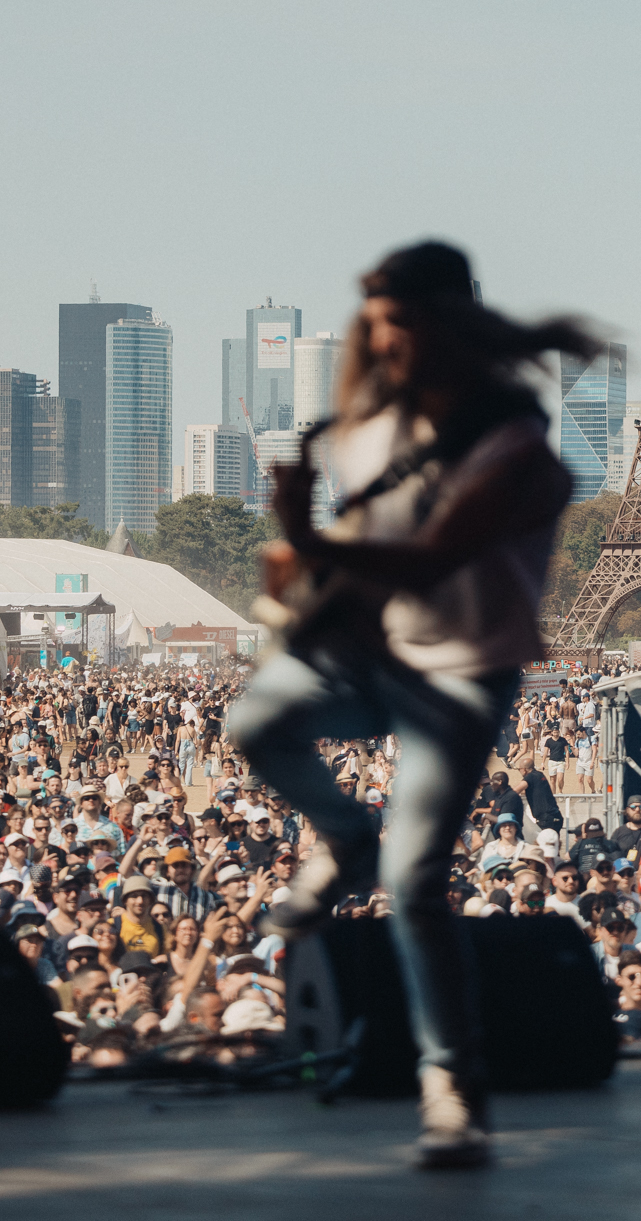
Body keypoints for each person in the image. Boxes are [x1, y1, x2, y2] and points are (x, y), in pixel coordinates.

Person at [226, 241, 596, 1170]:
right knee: (254, 722)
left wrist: (308, 533)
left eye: (402, 324)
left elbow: (434, 559)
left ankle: (452, 1088)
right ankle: (346, 835)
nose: (385, 343)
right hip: (378, 654)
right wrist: (306, 568)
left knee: (417, 882)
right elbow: (374, 549)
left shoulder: (514, 442)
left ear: (450, 327)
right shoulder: (369, 434)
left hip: (465, 674)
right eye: (375, 327)